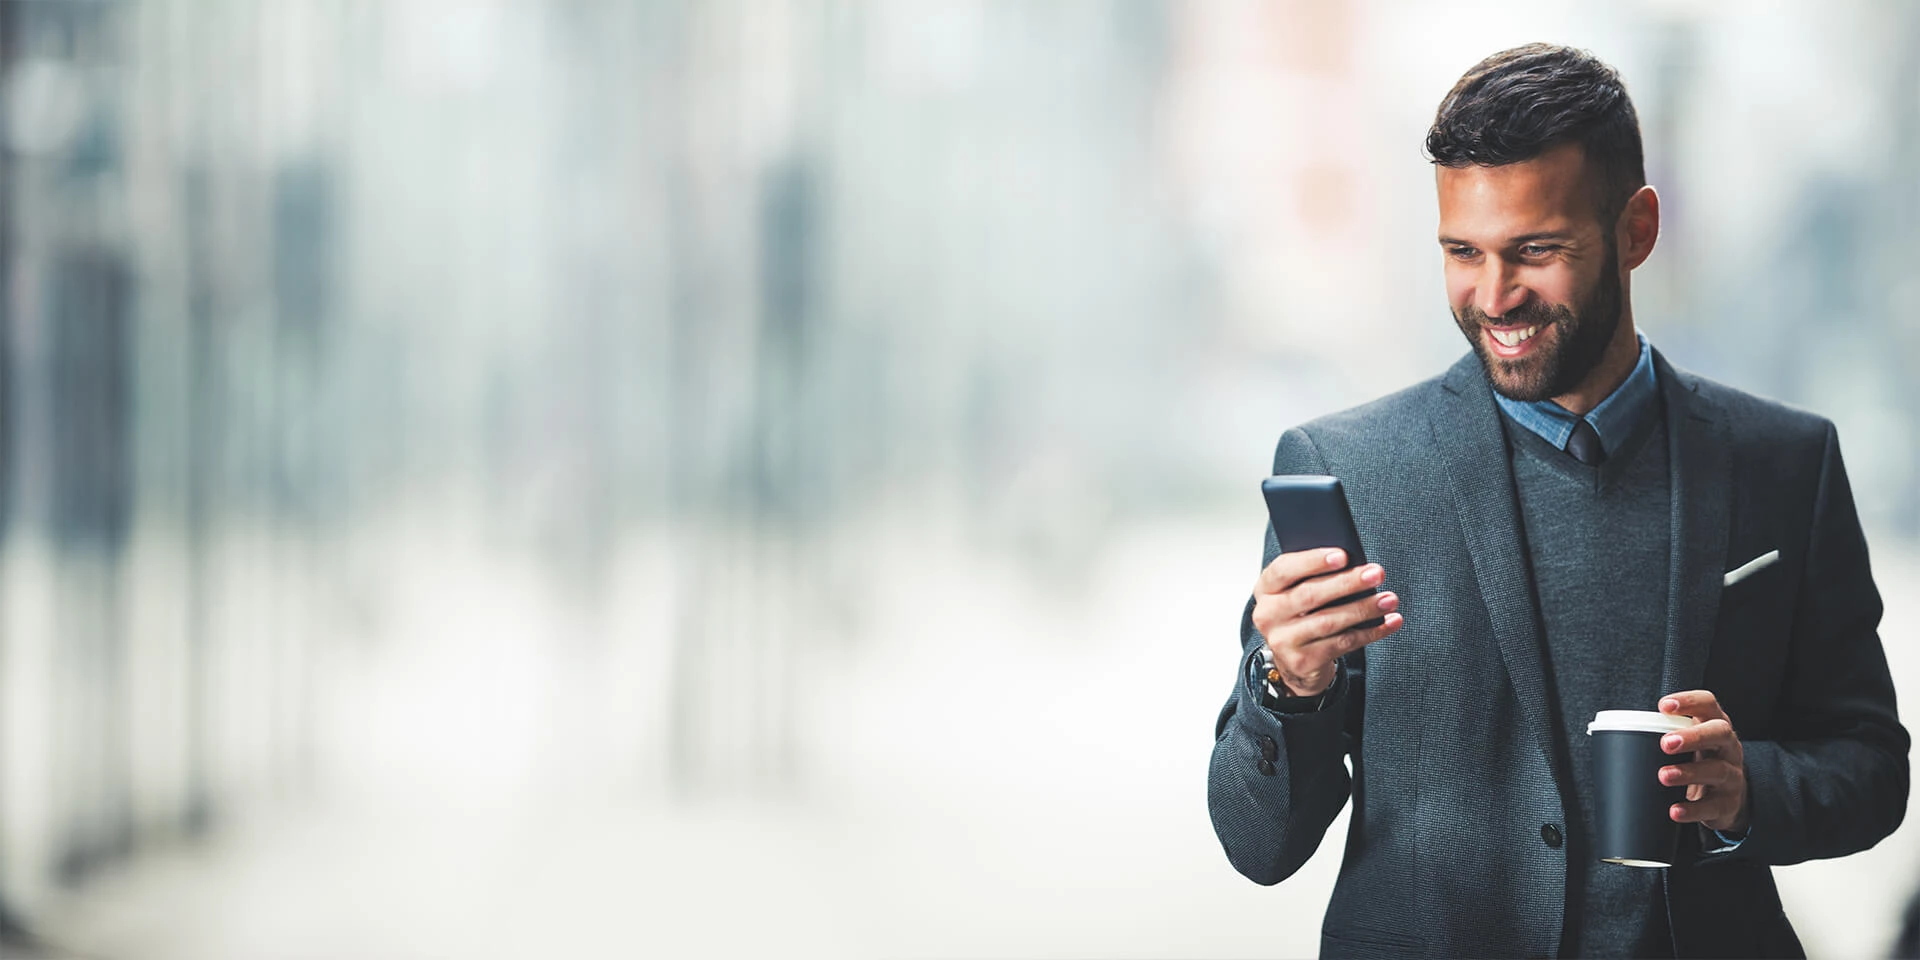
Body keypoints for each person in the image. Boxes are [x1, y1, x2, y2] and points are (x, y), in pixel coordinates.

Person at [1206, 43, 1908, 959]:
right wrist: (1285, 686)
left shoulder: (1785, 463)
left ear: (1637, 231)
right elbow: (1258, 845)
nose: (1494, 295)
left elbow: (1870, 768)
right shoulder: (1351, 471)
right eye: (1463, 252)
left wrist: (1747, 791)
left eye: (1535, 251)